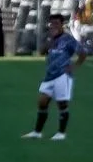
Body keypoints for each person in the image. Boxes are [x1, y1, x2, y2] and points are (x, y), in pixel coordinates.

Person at [25, 13, 82, 141]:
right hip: (50, 75)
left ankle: (61, 133)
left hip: (63, 76)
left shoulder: (68, 39)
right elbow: (41, 51)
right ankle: (37, 132)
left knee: (62, 104)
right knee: (42, 102)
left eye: (56, 23)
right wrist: (49, 40)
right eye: (52, 24)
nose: (53, 26)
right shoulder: (51, 39)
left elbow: (82, 53)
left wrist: (74, 66)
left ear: (62, 25)